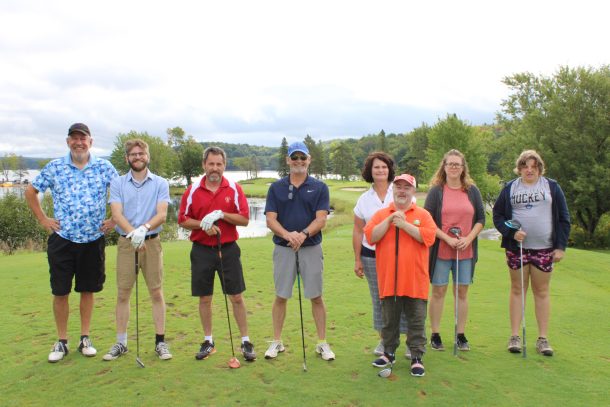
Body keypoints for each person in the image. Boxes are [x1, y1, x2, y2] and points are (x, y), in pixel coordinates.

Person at [24, 123, 118, 363]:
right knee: (60, 291)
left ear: (90, 141)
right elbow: (31, 191)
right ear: (68, 142)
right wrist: (43, 219)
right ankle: (62, 341)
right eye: (74, 138)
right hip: (62, 240)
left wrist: (114, 219)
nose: (79, 142)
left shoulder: (104, 167)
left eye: (82, 138)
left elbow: (121, 193)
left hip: (93, 240)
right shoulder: (55, 167)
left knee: (87, 290)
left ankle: (85, 338)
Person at [178, 146, 256, 362]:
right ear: (204, 165)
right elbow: (183, 219)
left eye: (219, 164)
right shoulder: (193, 190)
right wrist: (203, 225)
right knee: (205, 297)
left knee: (237, 296)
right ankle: (208, 341)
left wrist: (222, 214)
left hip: (228, 249)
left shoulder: (234, 188)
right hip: (201, 250)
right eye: (211, 164)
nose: (215, 168)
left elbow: (244, 219)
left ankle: (245, 341)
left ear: (224, 165)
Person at [493, 150, 570, 356]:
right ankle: (515, 336)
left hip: (544, 248)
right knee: (517, 289)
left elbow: (564, 218)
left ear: (539, 169)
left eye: (533, 167)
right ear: (519, 168)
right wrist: (511, 232)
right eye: (525, 166)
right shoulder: (510, 187)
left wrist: (560, 246)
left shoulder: (552, 187)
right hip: (517, 248)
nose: (529, 170)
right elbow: (498, 215)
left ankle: (543, 339)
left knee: (542, 291)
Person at [264, 141, 335, 361]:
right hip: (284, 248)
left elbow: (321, 219)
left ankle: (322, 343)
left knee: (316, 295)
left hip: (311, 247)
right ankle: (277, 341)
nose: (299, 162)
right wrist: (288, 235)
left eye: (302, 158)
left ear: (309, 160)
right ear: (288, 160)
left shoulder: (320, 187)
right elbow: (270, 219)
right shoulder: (276, 188)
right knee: (281, 295)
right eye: (294, 158)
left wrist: (302, 234)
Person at [104, 139, 172, 361]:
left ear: (147, 156)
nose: (137, 157)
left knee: (156, 291)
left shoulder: (160, 183)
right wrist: (134, 234)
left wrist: (143, 229)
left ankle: (160, 342)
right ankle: (121, 343)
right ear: (127, 158)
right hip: (126, 243)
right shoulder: (118, 183)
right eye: (133, 154)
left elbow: (162, 214)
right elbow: (116, 214)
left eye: (141, 154)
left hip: (152, 242)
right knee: (123, 293)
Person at [364, 174, 436, 377]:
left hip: (415, 280)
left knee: (416, 321)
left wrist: (404, 225)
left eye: (407, 187)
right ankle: (388, 353)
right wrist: (390, 219)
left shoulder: (423, 215)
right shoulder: (381, 214)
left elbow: (428, 237)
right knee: (389, 321)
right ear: (393, 190)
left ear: (413, 191)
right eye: (398, 187)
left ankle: (416, 357)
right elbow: (371, 236)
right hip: (389, 281)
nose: (402, 191)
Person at [424, 149, 485, 351]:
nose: (453, 168)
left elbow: (480, 220)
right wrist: (447, 238)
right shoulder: (436, 191)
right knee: (439, 290)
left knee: (462, 291)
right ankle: (435, 334)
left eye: (457, 164)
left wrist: (468, 238)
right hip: (442, 249)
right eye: (450, 164)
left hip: (465, 251)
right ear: (444, 166)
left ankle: (460, 334)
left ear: (463, 168)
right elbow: (428, 221)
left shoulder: (472, 191)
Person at [352, 152, 410, 359]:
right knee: (379, 299)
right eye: (376, 167)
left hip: (398, 255)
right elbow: (358, 230)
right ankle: (385, 340)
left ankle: (410, 341)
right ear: (370, 170)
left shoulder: (400, 190)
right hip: (371, 256)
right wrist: (357, 258)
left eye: (384, 167)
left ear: (389, 170)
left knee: (403, 297)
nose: (380, 170)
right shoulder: (364, 199)